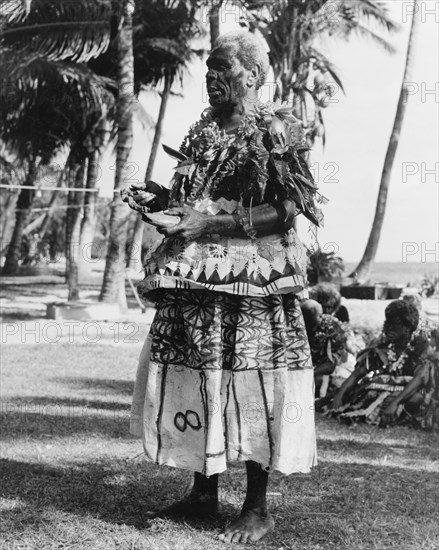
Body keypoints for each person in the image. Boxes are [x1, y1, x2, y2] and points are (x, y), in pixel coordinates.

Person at [124, 30, 322, 544]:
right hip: (198, 279)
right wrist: (161, 199)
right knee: (200, 371)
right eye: (208, 70)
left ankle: (256, 507)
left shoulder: (278, 129)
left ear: (252, 76)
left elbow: (291, 207)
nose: (211, 79)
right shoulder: (201, 131)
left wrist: (210, 226)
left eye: (222, 70)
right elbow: (198, 198)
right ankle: (202, 492)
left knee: (252, 378)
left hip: (255, 281)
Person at [331, 300, 437, 429]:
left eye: (395, 324)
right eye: (387, 322)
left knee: (416, 399)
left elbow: (420, 379)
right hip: (381, 390)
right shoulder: (382, 343)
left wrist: (396, 402)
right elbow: (359, 372)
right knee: (358, 393)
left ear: (408, 327)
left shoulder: (421, 346)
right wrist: (339, 395)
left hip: (407, 393)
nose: (389, 327)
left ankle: (391, 412)